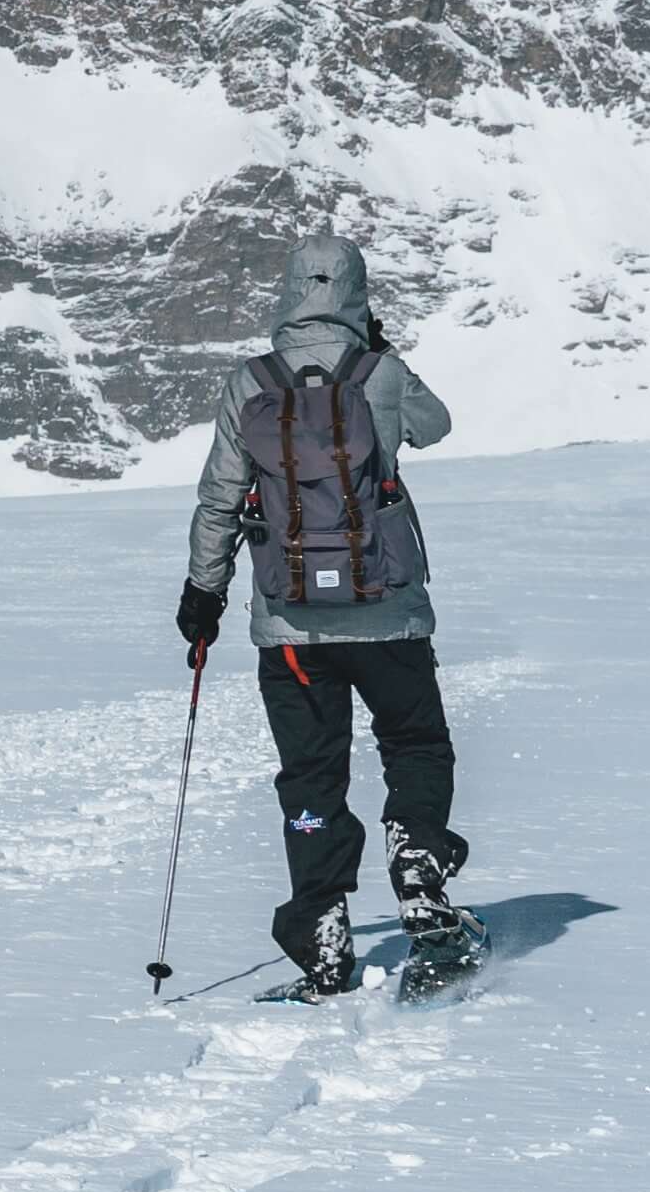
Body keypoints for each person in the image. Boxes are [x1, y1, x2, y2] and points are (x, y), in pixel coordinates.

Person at [175, 232, 472, 998]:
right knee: (413, 745)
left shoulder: (250, 383)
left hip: (290, 626)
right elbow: (436, 424)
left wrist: (202, 594)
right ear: (357, 294)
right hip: (389, 616)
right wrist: (384, 353)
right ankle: (416, 857)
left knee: (310, 772)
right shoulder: (383, 374)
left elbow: (218, 498)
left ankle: (322, 931)